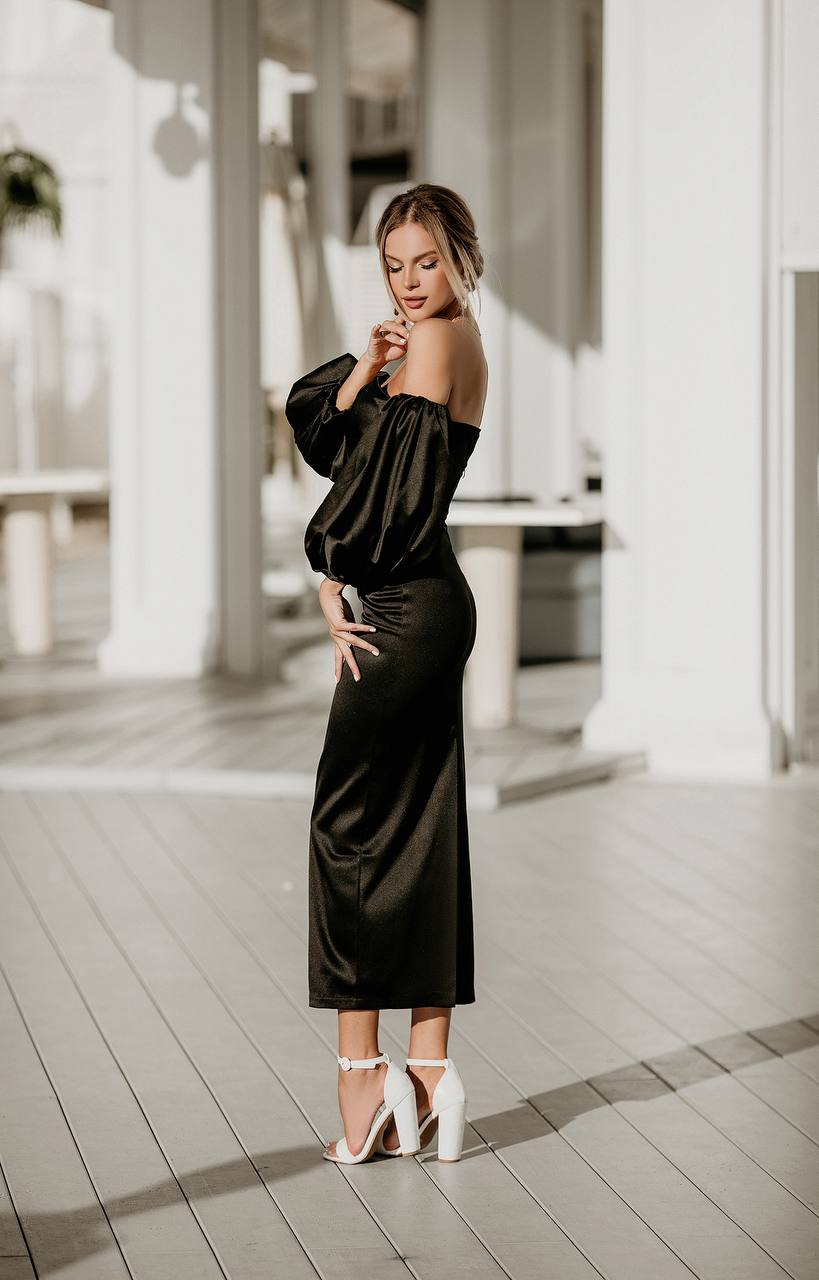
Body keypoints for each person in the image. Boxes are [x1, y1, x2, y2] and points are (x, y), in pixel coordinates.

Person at [285, 183, 487, 1165]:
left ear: (459, 257)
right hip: (424, 604)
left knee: (350, 823)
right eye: (394, 265)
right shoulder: (439, 344)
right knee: (420, 822)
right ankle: (429, 1071)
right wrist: (364, 365)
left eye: (426, 263)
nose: (410, 283)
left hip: (401, 610)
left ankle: (363, 1080)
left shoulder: (443, 342)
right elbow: (333, 434)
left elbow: (377, 499)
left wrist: (327, 565)